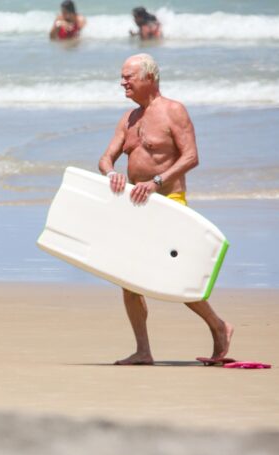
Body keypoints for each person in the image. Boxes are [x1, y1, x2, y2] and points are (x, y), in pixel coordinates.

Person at [98, 54, 233, 365]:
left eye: (129, 76)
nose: (123, 82)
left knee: (175, 277)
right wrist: (110, 174)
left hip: (169, 204)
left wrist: (158, 181)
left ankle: (219, 326)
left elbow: (191, 157)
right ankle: (143, 351)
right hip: (135, 206)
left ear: (150, 78)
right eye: (122, 77)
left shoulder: (174, 111)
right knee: (129, 281)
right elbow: (106, 158)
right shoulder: (128, 119)